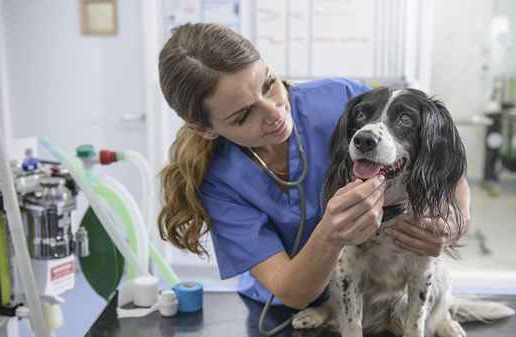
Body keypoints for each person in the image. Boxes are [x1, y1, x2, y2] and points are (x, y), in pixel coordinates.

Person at [157, 23, 471, 310]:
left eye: (269, 84)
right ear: (205, 129)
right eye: (243, 115)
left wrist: (453, 225)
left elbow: (439, 157)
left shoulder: (341, 99)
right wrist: (330, 234)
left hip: (371, 298)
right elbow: (292, 292)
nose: (275, 112)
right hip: (284, 312)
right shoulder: (218, 182)